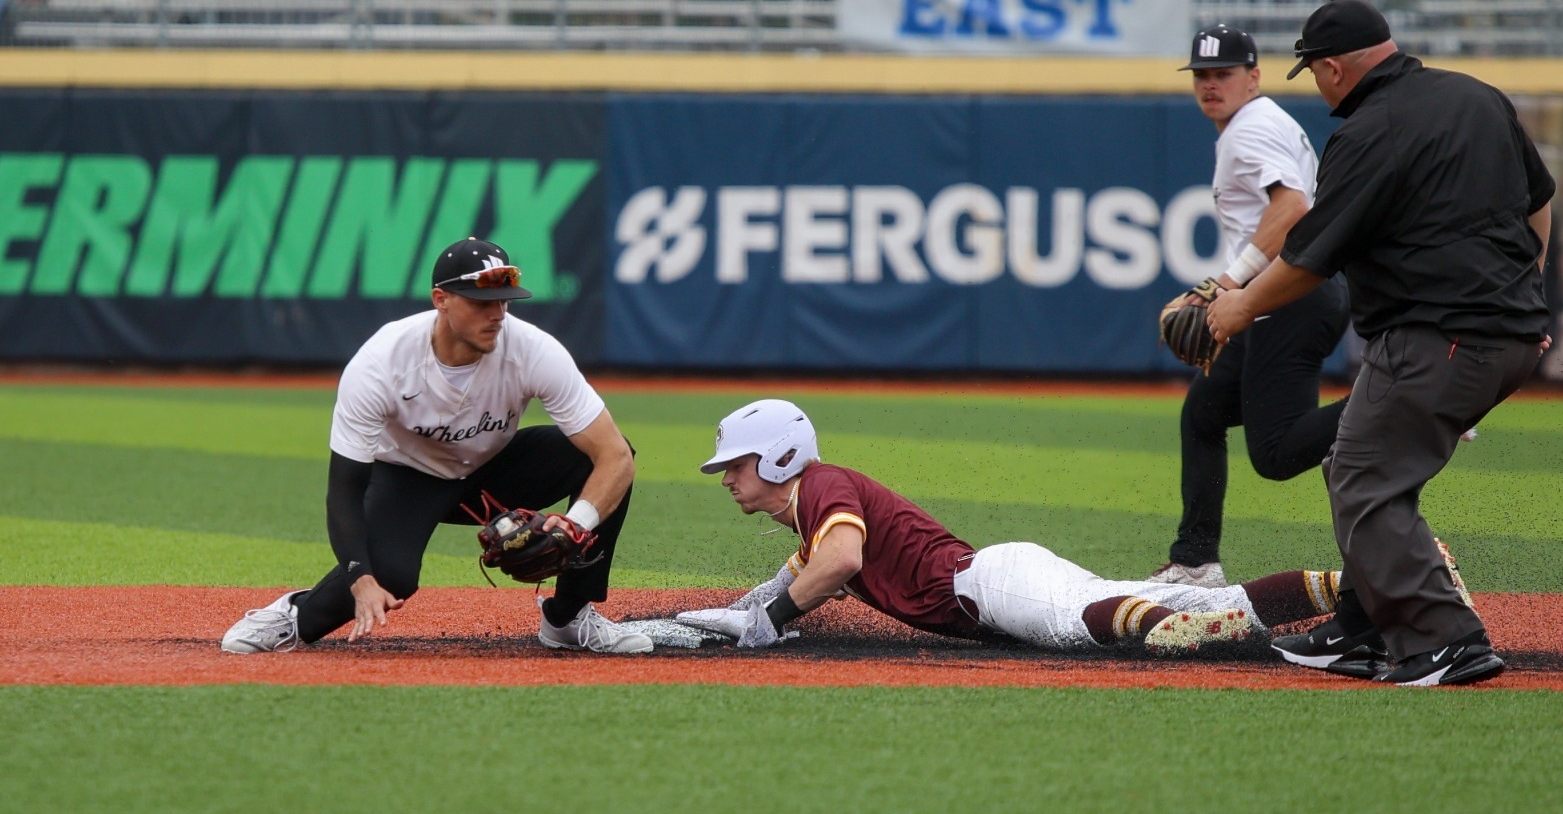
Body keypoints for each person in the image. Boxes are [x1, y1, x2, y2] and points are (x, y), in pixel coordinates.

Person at [1207, 0, 1554, 686]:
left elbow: (1309, 256)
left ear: (1334, 67)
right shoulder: (1476, 97)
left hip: (1438, 334)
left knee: (1364, 477)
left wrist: (1239, 306)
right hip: (1507, 333)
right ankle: (1361, 628)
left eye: (1313, 71)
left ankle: (1447, 638)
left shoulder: (1371, 130)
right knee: (1355, 460)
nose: (1316, 83)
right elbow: (1539, 198)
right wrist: (1527, 291)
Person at [221, 236, 653, 655]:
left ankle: (568, 618)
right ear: (441, 299)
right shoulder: (381, 364)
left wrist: (575, 524)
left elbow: (614, 457)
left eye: (504, 301)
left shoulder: (534, 351)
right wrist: (359, 578)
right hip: (409, 478)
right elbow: (345, 489)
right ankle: (294, 616)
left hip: (492, 470)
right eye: (481, 303)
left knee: (601, 456)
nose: (498, 315)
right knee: (390, 576)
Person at [676, 399, 1346, 656]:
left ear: (777, 457)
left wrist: (774, 617)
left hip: (992, 584)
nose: (728, 479)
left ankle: (1179, 633)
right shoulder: (815, 509)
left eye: (735, 465)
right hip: (1001, 577)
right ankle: (1347, 587)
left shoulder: (822, 488)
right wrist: (720, 619)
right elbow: (788, 583)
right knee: (1195, 598)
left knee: (1087, 623)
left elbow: (842, 561)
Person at [1152, 23, 1351, 590]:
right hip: (1290, 293)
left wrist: (1223, 285)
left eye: (1224, 74)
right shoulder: (1258, 123)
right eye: (1203, 75)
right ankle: (1195, 560)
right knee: (1205, 412)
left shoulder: (1249, 129)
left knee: (1277, 452)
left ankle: (1401, 397)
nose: (1211, 85)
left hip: (1291, 296)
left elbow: (1291, 210)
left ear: (1254, 77)